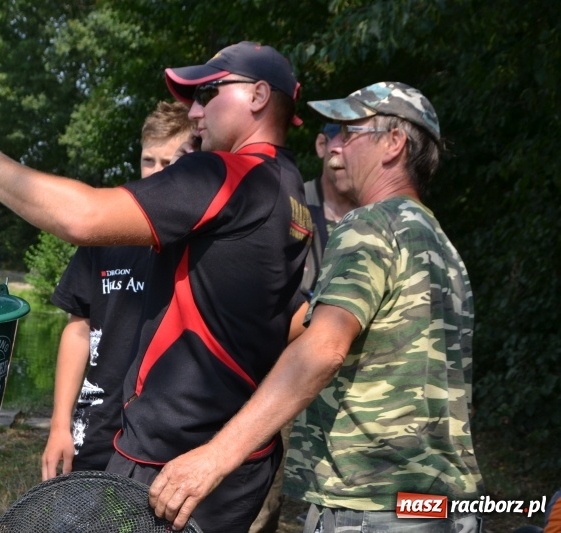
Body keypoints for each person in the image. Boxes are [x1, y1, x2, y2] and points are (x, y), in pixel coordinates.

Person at [0, 41, 311, 532]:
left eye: (208, 92)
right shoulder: (290, 189)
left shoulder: (231, 173)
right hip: (234, 460)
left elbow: (84, 217)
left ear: (258, 96)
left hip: (172, 455)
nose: (194, 111)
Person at [146, 81, 485, 533]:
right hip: (442, 507)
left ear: (394, 143)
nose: (335, 145)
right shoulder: (441, 246)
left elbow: (323, 348)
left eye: (350, 131)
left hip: (373, 505)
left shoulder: (370, 225)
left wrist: (214, 457)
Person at [41, 101, 193, 478]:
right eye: (149, 161)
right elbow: (79, 328)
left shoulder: (205, 237)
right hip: (96, 426)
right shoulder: (108, 226)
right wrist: (60, 424)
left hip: (172, 435)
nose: (159, 173)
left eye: (172, 163)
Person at [249, 122, 355, 533]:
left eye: (356, 139)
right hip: (283, 371)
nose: (344, 150)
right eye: (338, 138)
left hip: (345, 382)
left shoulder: (372, 217)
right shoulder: (290, 202)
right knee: (259, 499)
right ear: (320, 143)